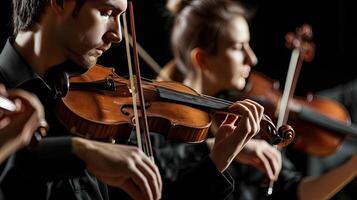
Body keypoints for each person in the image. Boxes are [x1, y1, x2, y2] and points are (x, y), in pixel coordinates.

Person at [0, 0, 265, 199]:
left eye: (120, 17)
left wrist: (218, 159)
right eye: (105, 13)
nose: (116, 33)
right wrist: (77, 150)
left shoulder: (97, 107)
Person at [157, 0, 357, 199]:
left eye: (248, 45)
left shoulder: (242, 113)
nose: (252, 59)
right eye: (237, 47)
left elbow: (292, 192)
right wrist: (214, 146)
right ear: (201, 59)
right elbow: (166, 171)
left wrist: (352, 166)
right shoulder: (160, 121)